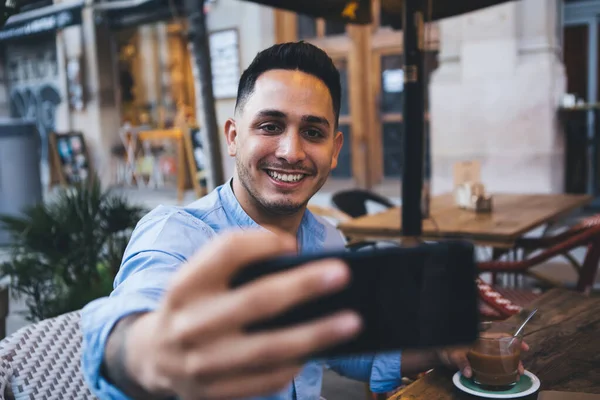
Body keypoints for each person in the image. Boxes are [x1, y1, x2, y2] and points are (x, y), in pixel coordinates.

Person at [81, 42, 527, 400]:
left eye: (312, 132)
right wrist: (145, 353)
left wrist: (438, 350)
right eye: (270, 125)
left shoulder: (325, 240)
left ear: (334, 150)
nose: (291, 151)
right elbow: (128, 321)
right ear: (234, 137)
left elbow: (334, 349)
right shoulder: (177, 232)